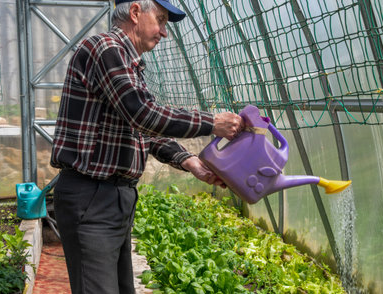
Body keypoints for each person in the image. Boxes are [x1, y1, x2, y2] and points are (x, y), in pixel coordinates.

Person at [50, 0, 243, 293]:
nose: (164, 32)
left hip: (113, 199)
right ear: (135, 12)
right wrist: (212, 123)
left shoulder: (131, 64)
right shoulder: (106, 49)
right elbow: (142, 112)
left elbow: (141, 129)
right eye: (161, 20)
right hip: (91, 198)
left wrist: (190, 162)